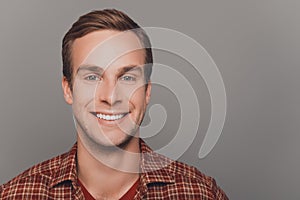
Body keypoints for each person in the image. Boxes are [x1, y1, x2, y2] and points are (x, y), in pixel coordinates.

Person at [0, 9, 228, 199]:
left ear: (147, 92)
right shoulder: (15, 195)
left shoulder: (201, 193)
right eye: (92, 77)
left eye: (127, 78)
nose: (110, 96)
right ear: (68, 89)